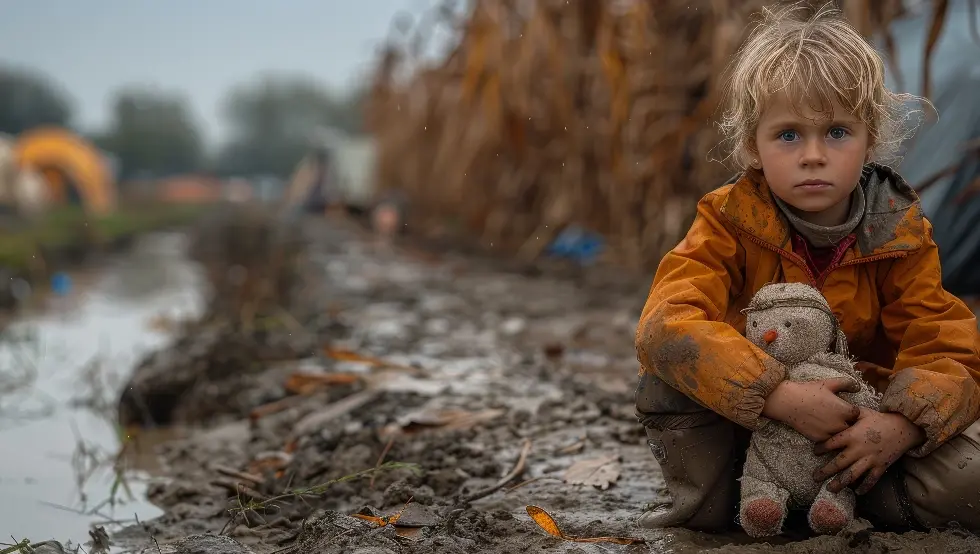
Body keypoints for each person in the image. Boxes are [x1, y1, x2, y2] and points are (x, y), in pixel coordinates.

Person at [634, 1, 980, 534]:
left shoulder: (900, 234)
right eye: (789, 135)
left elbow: (947, 347)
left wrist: (899, 426)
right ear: (752, 145)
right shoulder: (726, 223)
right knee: (670, 374)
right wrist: (776, 396)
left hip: (856, 433)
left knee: (970, 481)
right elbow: (665, 324)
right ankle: (723, 501)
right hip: (748, 430)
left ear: (870, 139)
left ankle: (845, 495)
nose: (813, 155)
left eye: (837, 132)